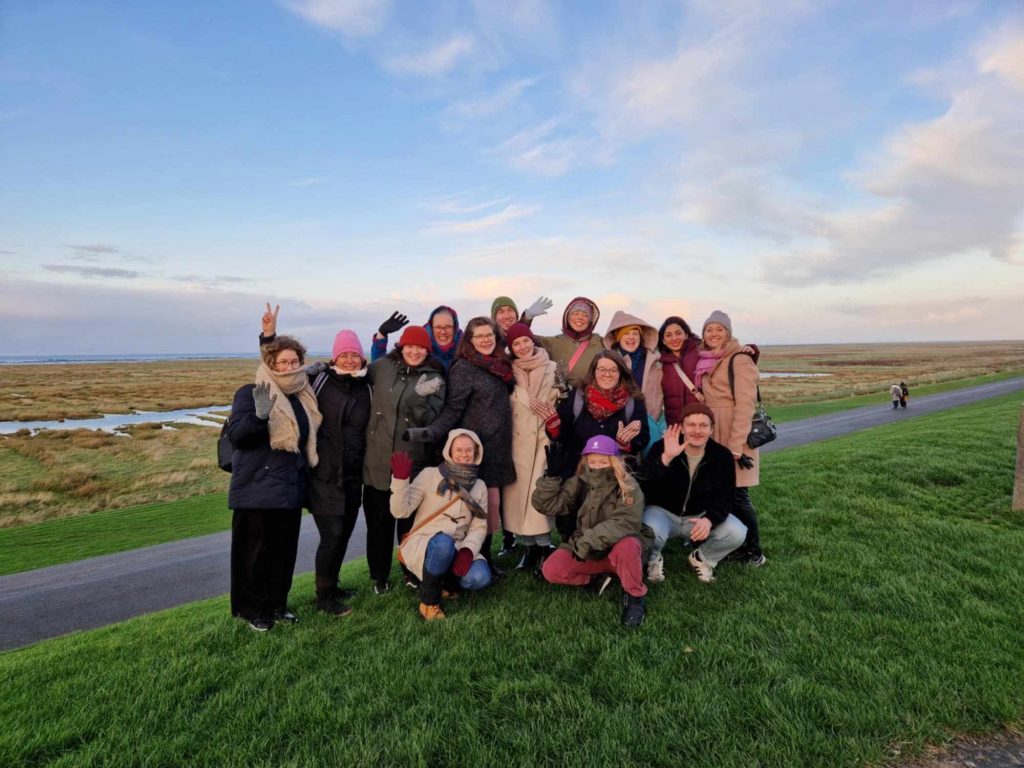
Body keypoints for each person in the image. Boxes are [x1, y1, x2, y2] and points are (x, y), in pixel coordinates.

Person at [260, 304, 368, 617]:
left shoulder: (367, 383)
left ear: (361, 357)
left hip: (353, 473)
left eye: (354, 354)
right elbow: (277, 370)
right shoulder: (315, 380)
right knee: (332, 534)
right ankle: (324, 598)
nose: (349, 359)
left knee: (344, 533)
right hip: (323, 472)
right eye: (344, 354)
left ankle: (332, 586)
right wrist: (268, 336)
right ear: (335, 357)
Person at [406, 317, 516, 575]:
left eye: (489, 335)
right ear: (469, 340)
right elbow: (453, 408)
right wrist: (431, 432)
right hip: (474, 452)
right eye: (478, 336)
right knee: (479, 512)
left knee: (492, 511)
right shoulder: (464, 368)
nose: (485, 340)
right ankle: (477, 561)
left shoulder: (500, 365)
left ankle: (480, 558)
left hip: (498, 449)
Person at [226, 334, 321, 632]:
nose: (289, 366)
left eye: (295, 361)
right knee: (253, 555)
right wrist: (260, 415)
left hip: (289, 488)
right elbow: (239, 436)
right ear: (270, 364)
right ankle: (254, 611)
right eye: (282, 361)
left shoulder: (302, 396)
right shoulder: (250, 392)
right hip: (256, 488)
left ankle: (277, 605)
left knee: (283, 553)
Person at [532, 436, 651, 627]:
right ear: (585, 460)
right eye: (592, 461)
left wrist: (587, 542)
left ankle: (635, 597)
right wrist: (550, 477)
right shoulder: (579, 482)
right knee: (551, 570)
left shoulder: (628, 486)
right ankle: (597, 578)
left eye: (603, 461)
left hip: (615, 550)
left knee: (628, 545)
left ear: (615, 461)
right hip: (588, 549)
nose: (597, 466)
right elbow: (548, 505)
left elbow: (625, 522)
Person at [363, 323, 447, 594]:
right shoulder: (384, 368)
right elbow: (355, 373)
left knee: (409, 522)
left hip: (412, 460)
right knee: (378, 524)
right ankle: (379, 576)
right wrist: (323, 368)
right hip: (377, 459)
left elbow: (432, 420)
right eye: (409, 346)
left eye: (420, 347)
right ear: (401, 347)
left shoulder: (435, 378)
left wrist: (420, 402)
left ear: (427, 350)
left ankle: (410, 570)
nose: (414, 351)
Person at [541, 349, 648, 543]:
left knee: (610, 515)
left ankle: (609, 550)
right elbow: (563, 434)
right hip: (579, 470)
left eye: (613, 370)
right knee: (573, 514)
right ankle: (571, 544)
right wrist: (554, 425)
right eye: (602, 369)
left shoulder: (633, 400)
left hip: (615, 473)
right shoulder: (578, 396)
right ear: (594, 371)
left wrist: (626, 443)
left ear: (621, 372)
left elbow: (643, 436)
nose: (607, 374)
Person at [389, 429, 492, 620]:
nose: (464, 454)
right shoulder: (430, 475)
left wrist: (468, 550)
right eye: (459, 449)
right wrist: (400, 481)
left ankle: (445, 585)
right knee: (443, 544)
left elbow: (479, 526)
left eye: (469, 450)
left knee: (480, 577)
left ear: (477, 453)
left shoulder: (479, 486)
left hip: (457, 544)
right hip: (427, 542)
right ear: (449, 451)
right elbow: (400, 511)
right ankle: (428, 602)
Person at [641, 403, 746, 584]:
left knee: (737, 532)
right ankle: (653, 560)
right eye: (691, 425)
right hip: (663, 514)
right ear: (682, 427)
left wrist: (709, 519)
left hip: (699, 517)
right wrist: (665, 459)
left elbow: (726, 497)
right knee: (649, 530)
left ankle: (702, 558)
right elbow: (644, 486)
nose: (697, 431)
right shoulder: (662, 447)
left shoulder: (722, 456)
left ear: (712, 429)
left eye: (703, 425)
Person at [696, 310, 765, 567]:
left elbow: (746, 405)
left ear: (728, 333)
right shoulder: (708, 360)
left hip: (735, 435)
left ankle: (755, 551)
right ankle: (737, 544)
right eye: (708, 329)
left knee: (738, 495)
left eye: (719, 329)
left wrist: (736, 445)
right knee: (722, 493)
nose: (713, 334)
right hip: (715, 432)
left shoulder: (739, 359)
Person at [501, 322, 559, 574]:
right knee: (518, 498)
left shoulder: (552, 368)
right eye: (516, 343)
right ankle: (528, 549)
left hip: (543, 440)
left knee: (540, 494)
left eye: (526, 341)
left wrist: (554, 422)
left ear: (532, 341)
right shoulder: (506, 372)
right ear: (511, 348)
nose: (523, 347)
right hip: (516, 442)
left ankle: (544, 547)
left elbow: (561, 400)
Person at [603, 311, 664, 448]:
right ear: (618, 337)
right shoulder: (609, 361)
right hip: (621, 424)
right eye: (626, 333)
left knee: (651, 464)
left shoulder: (655, 361)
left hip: (652, 422)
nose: (631, 337)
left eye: (635, 333)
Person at [534, 296, 605, 391]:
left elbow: (623, 343)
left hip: (592, 400)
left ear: (591, 320)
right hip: (562, 400)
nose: (580, 318)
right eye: (575, 313)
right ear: (567, 317)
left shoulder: (601, 342)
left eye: (585, 315)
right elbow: (524, 338)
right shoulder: (554, 342)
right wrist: (527, 318)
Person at [370, 306, 463, 372]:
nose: (443, 332)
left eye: (448, 327)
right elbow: (379, 368)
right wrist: (382, 334)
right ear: (431, 327)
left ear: (455, 327)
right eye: (438, 327)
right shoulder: (417, 350)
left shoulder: (466, 349)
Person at [656, 316, 703, 428]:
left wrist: (749, 350)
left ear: (686, 335)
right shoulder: (659, 362)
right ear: (663, 340)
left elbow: (723, 352)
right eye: (668, 335)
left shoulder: (700, 352)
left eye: (678, 333)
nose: (674, 338)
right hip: (674, 424)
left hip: (699, 420)